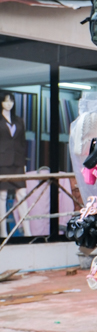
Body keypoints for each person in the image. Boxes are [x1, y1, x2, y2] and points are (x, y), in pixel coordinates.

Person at [0, 92, 28, 239]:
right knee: (2, 196)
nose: (8, 104)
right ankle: (3, 233)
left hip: (17, 161)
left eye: (11, 101)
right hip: (2, 162)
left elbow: (22, 143)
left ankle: (28, 231)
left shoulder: (19, 121)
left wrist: (24, 163)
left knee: (22, 193)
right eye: (5, 101)